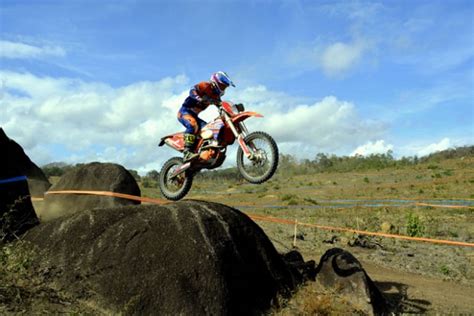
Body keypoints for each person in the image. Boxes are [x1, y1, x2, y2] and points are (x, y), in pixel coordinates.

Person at [177, 71, 235, 162]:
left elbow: (221, 106)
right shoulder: (205, 85)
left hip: (195, 116)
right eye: (222, 86)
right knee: (193, 124)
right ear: (216, 82)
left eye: (225, 87)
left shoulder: (216, 96)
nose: (224, 88)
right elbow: (192, 91)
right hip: (184, 112)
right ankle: (187, 152)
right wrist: (200, 98)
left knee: (208, 131)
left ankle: (200, 152)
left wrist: (228, 111)